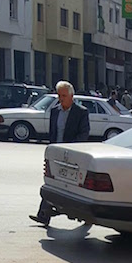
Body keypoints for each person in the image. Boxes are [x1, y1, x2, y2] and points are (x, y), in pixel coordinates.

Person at [29, 82, 90, 225]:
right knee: (52, 183)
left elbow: (84, 133)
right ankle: (43, 215)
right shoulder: (55, 111)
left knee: (75, 187)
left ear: (71, 96)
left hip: (73, 154)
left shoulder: (81, 112)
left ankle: (86, 217)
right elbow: (53, 132)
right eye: (59, 95)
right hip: (57, 154)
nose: (61, 99)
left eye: (63, 96)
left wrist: (72, 148)